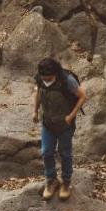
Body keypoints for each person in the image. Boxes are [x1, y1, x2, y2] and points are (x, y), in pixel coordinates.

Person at [33, 58, 86, 201]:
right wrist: (35, 111)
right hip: (48, 124)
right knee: (46, 152)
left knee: (65, 153)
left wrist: (71, 116)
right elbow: (38, 92)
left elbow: (82, 96)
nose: (46, 80)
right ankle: (51, 180)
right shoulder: (40, 78)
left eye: (49, 78)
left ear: (55, 73)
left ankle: (66, 182)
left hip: (65, 125)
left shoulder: (67, 81)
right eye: (44, 77)